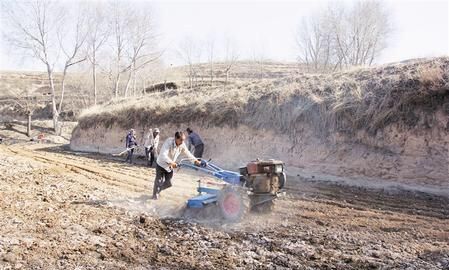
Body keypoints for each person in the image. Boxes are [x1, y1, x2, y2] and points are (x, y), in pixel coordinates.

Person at [152, 131, 200, 200]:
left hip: (170, 166)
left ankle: (158, 190)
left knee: (169, 183)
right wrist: (171, 162)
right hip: (161, 164)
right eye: (181, 140)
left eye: (183, 140)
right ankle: (155, 195)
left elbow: (187, 153)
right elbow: (163, 155)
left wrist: (195, 160)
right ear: (176, 138)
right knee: (158, 180)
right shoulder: (169, 142)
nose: (182, 142)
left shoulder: (182, 144)